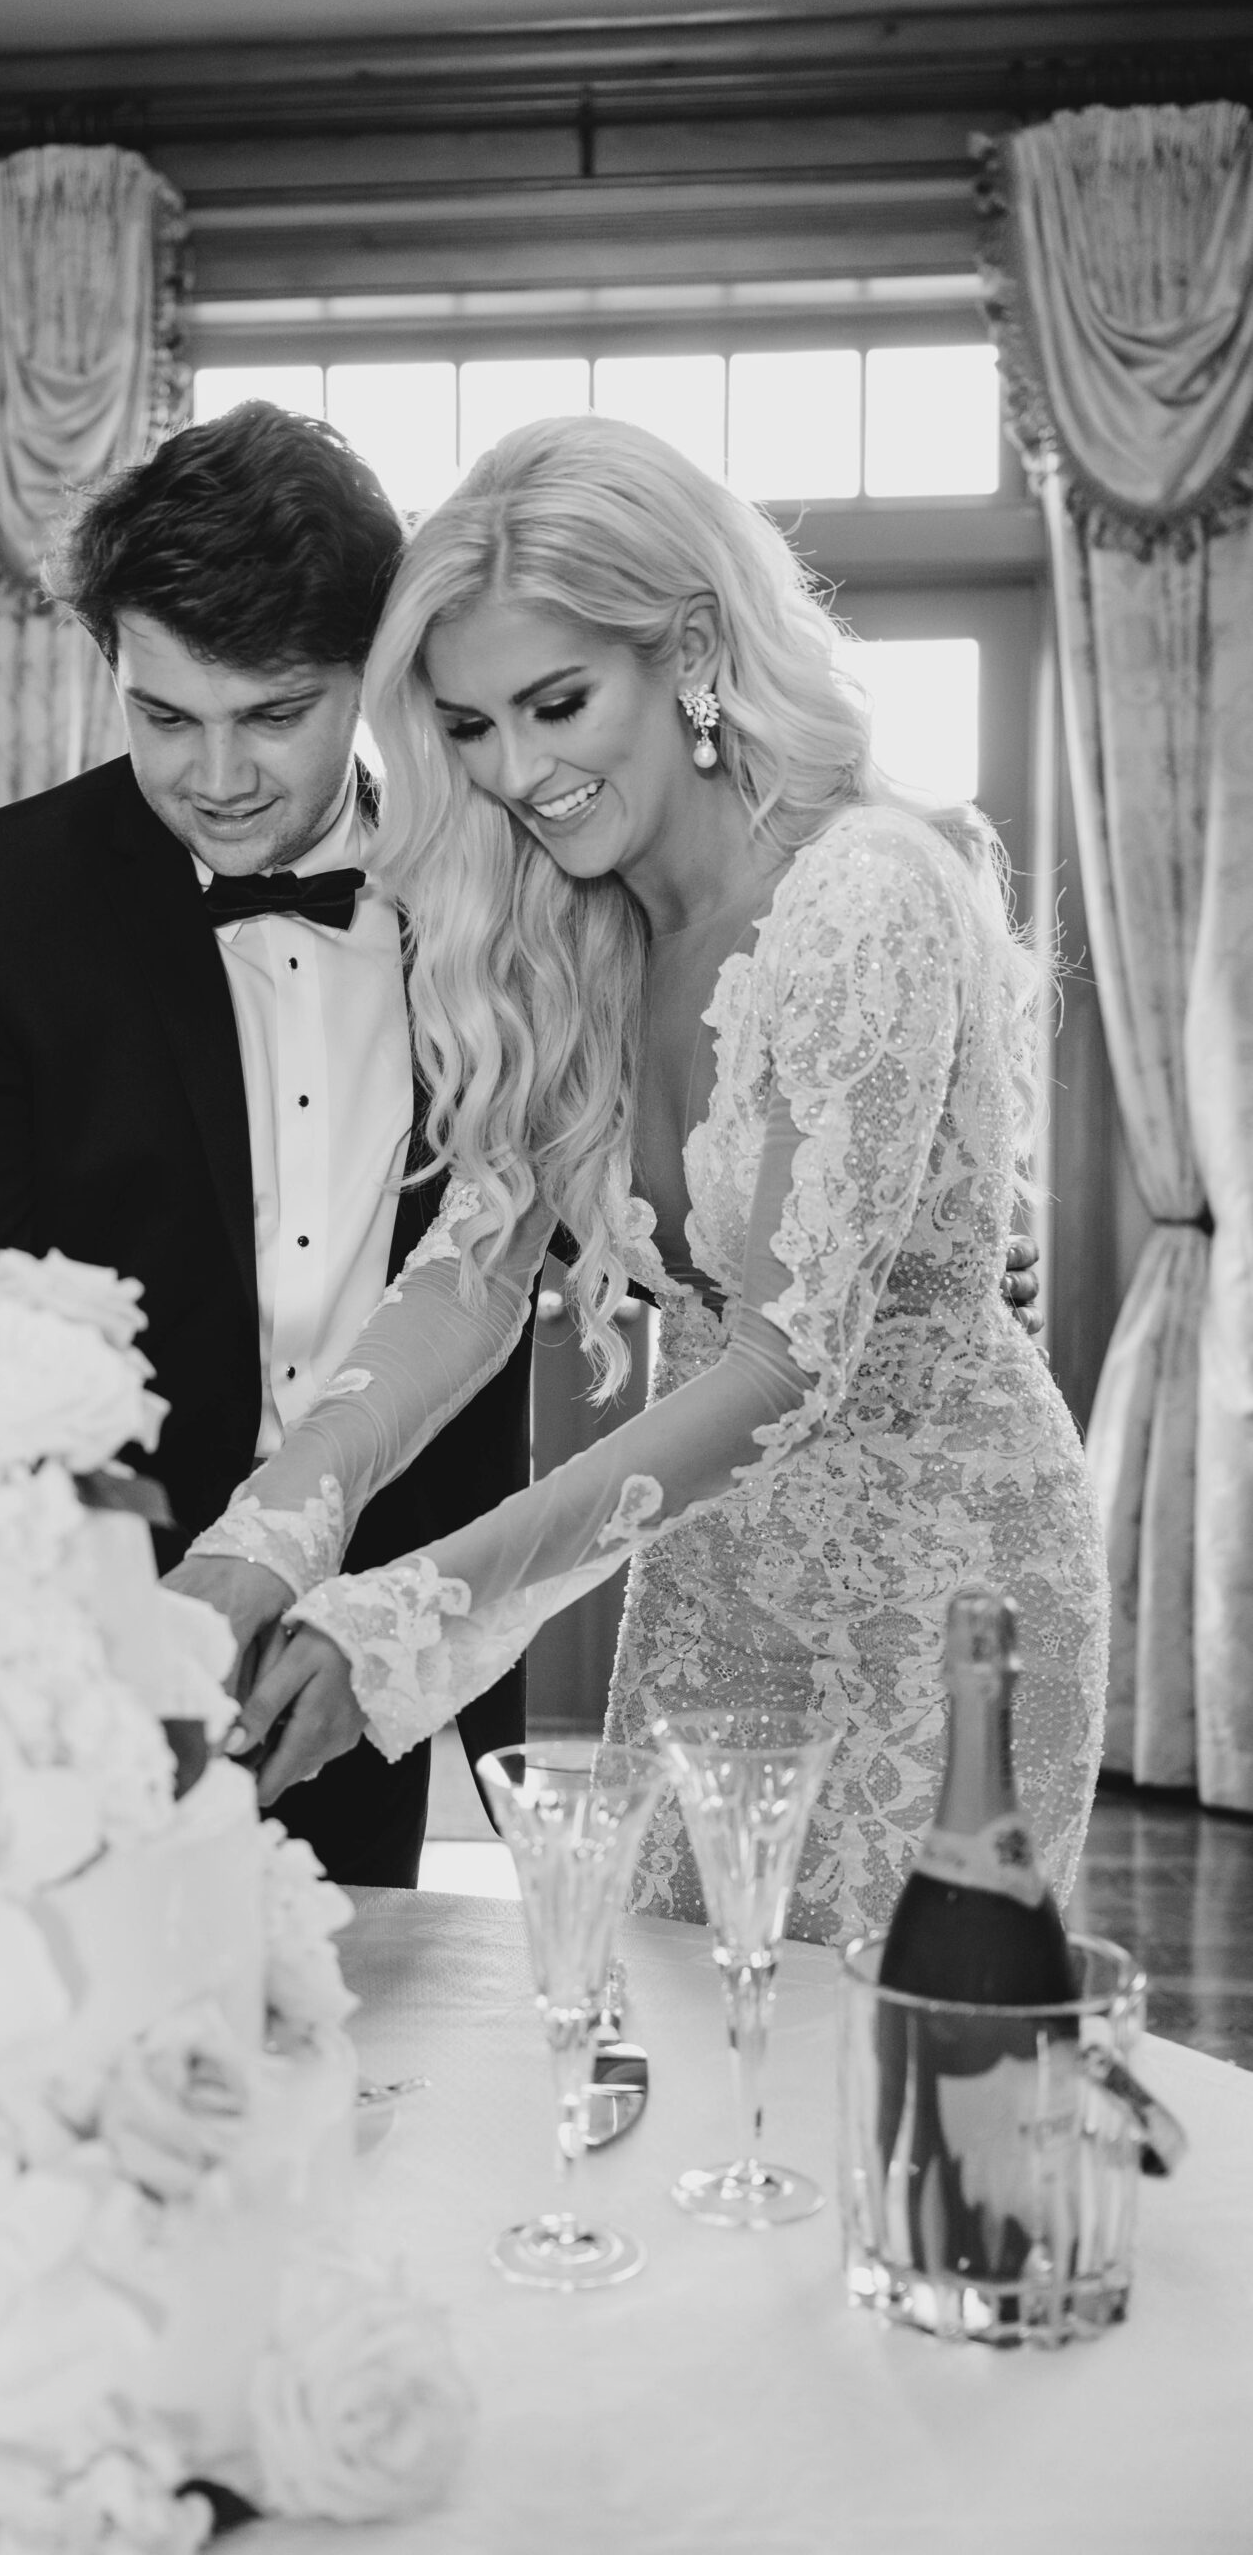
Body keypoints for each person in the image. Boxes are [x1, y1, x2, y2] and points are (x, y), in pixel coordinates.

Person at [188, 413, 1105, 1946]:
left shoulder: (866, 894)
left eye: (557, 702)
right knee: (679, 2062)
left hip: (947, 1598)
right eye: (471, 727)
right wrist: (262, 1539)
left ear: (688, 651)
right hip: (713, 1586)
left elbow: (784, 1363)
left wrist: (414, 1621)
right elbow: (473, 1280)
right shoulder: (571, 931)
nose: (520, 770)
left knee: (866, 2089)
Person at [0, 402, 534, 1889]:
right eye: (164, 716)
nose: (216, 775)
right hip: (59, 1671)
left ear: (375, 679)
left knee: (363, 2075)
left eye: (275, 714)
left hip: (364, 1648)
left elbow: (531, 1259)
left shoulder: (492, 905)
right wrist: (112, 1655)